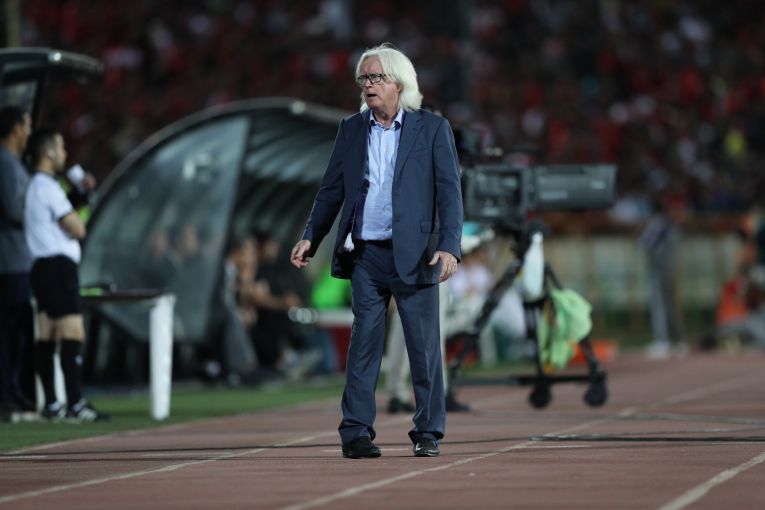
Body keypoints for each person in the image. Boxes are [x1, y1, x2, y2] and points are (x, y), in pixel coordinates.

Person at [290, 43, 463, 458]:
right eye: (363, 78)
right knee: (363, 345)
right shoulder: (351, 129)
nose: (367, 85)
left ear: (398, 83)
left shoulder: (432, 129)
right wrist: (312, 235)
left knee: (423, 348)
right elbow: (331, 189)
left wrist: (449, 247)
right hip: (365, 254)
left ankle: (428, 431)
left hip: (417, 255)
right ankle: (355, 432)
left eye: (376, 77)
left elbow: (450, 193)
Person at [24, 128, 108, 422]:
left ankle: (52, 404)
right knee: (72, 332)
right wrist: (80, 202)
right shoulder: (48, 187)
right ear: (48, 152)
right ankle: (75, 403)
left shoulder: (36, 186)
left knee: (47, 333)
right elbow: (77, 227)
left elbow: (60, 218)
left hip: (41, 266)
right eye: (60, 147)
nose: (64, 153)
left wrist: (79, 196)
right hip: (58, 266)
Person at [0, 106, 36, 420]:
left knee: (15, 331)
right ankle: (6, 394)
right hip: (9, 260)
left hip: (17, 258)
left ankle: (11, 391)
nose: (29, 132)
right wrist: (40, 214)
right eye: (26, 125)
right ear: (15, 129)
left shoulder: (13, 164)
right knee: (8, 330)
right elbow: (13, 209)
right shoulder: (5, 163)